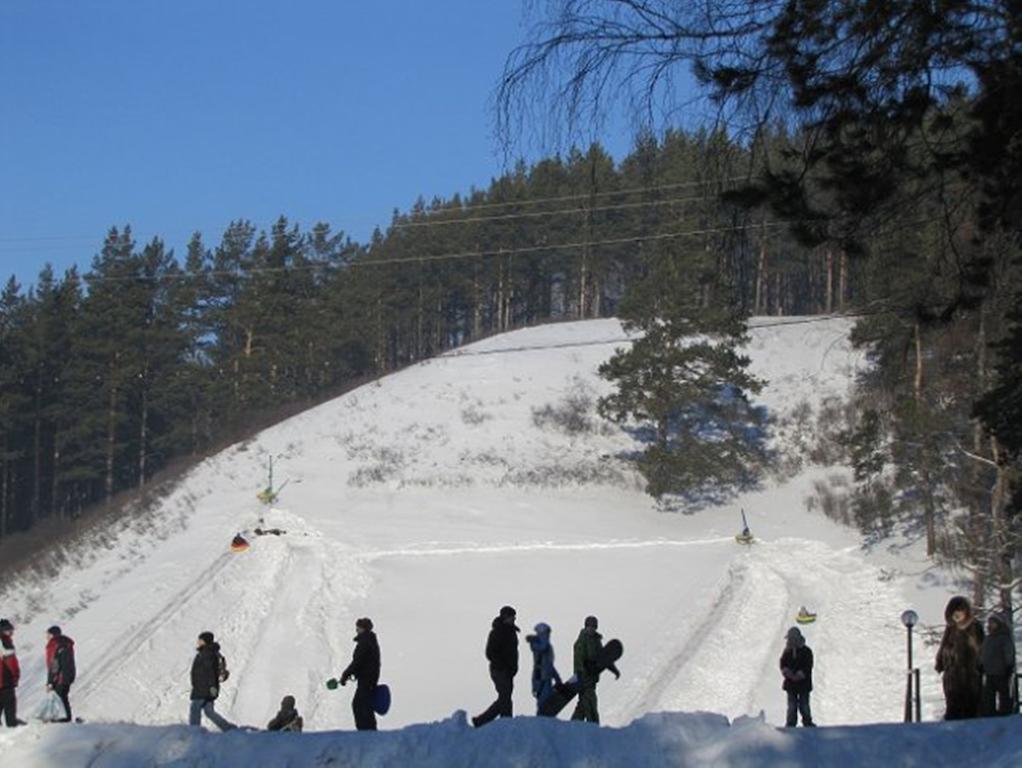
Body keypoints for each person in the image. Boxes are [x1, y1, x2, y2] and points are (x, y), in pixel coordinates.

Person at [935, 595, 985, 720]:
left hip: (970, 674)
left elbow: (980, 649)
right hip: (951, 674)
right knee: (952, 703)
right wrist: (940, 661)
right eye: (954, 612)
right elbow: (944, 645)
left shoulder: (974, 627)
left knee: (970, 704)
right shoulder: (951, 628)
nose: (956, 615)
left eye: (959, 611)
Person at [472, 605, 519, 728]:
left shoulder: (511, 632)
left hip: (508, 671)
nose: (513, 619)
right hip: (500, 670)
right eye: (511, 616)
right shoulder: (498, 632)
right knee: (505, 698)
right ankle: (506, 723)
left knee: (504, 698)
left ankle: (481, 721)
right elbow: (490, 652)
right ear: (505, 617)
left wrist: (512, 668)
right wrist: (503, 666)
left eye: (514, 617)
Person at [571, 615, 619, 725]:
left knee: (583, 706)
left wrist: (614, 670)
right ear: (586, 626)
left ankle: (571, 726)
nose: (592, 629)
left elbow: (603, 658)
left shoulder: (596, 641)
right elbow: (578, 661)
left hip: (592, 680)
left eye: (594, 627)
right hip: (584, 681)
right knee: (591, 703)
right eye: (590, 626)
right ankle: (593, 727)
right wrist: (581, 677)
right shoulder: (581, 642)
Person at [340, 617, 381, 731]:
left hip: (366, 679)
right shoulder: (371, 641)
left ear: (362, 628)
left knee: (359, 705)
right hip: (370, 678)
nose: (356, 630)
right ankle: (369, 730)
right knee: (364, 704)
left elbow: (358, 661)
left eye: (358, 627)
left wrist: (346, 674)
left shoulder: (365, 642)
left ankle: (365, 732)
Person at [189, 631, 235, 731]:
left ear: (205, 641)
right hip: (206, 687)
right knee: (209, 712)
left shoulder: (207, 653)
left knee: (195, 709)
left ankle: (193, 732)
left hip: (203, 688)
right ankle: (228, 728)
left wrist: (211, 687)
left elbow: (210, 672)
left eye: (200, 640)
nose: (198, 642)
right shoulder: (208, 652)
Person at [981, 611, 1016, 717]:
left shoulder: (1004, 638)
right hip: (989, 672)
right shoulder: (988, 639)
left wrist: (1009, 666)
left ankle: (1005, 714)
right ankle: (990, 713)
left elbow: (1009, 653)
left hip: (1002, 672)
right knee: (988, 697)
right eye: (989, 623)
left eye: (993, 623)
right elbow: (983, 653)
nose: (990, 625)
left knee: (1004, 695)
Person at [780, 626, 815, 727]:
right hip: (791, 684)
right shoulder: (787, 652)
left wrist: (800, 675)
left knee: (804, 704)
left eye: (791, 639)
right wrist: (788, 673)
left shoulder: (806, 651)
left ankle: (807, 721)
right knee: (792, 705)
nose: (790, 641)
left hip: (804, 684)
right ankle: (791, 723)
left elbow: (808, 665)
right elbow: (783, 664)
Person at [526, 622, 562, 713]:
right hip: (540, 678)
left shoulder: (545, 647)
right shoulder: (538, 646)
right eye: (546, 633)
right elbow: (542, 648)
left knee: (548, 703)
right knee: (543, 704)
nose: (548, 635)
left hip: (547, 678)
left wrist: (557, 679)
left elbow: (549, 665)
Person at [45, 626, 76, 723]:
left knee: (58, 698)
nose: (46, 637)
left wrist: (50, 681)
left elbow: (54, 664)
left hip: (60, 677)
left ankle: (61, 720)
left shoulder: (54, 644)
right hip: (69, 675)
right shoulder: (66, 643)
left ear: (52, 634)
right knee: (63, 697)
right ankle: (65, 718)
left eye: (48, 634)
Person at [0, 618, 23, 728]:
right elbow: (11, 662)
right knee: (9, 705)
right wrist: (16, 676)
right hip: (5, 679)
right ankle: (12, 727)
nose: (12, 633)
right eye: (9, 630)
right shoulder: (5, 641)